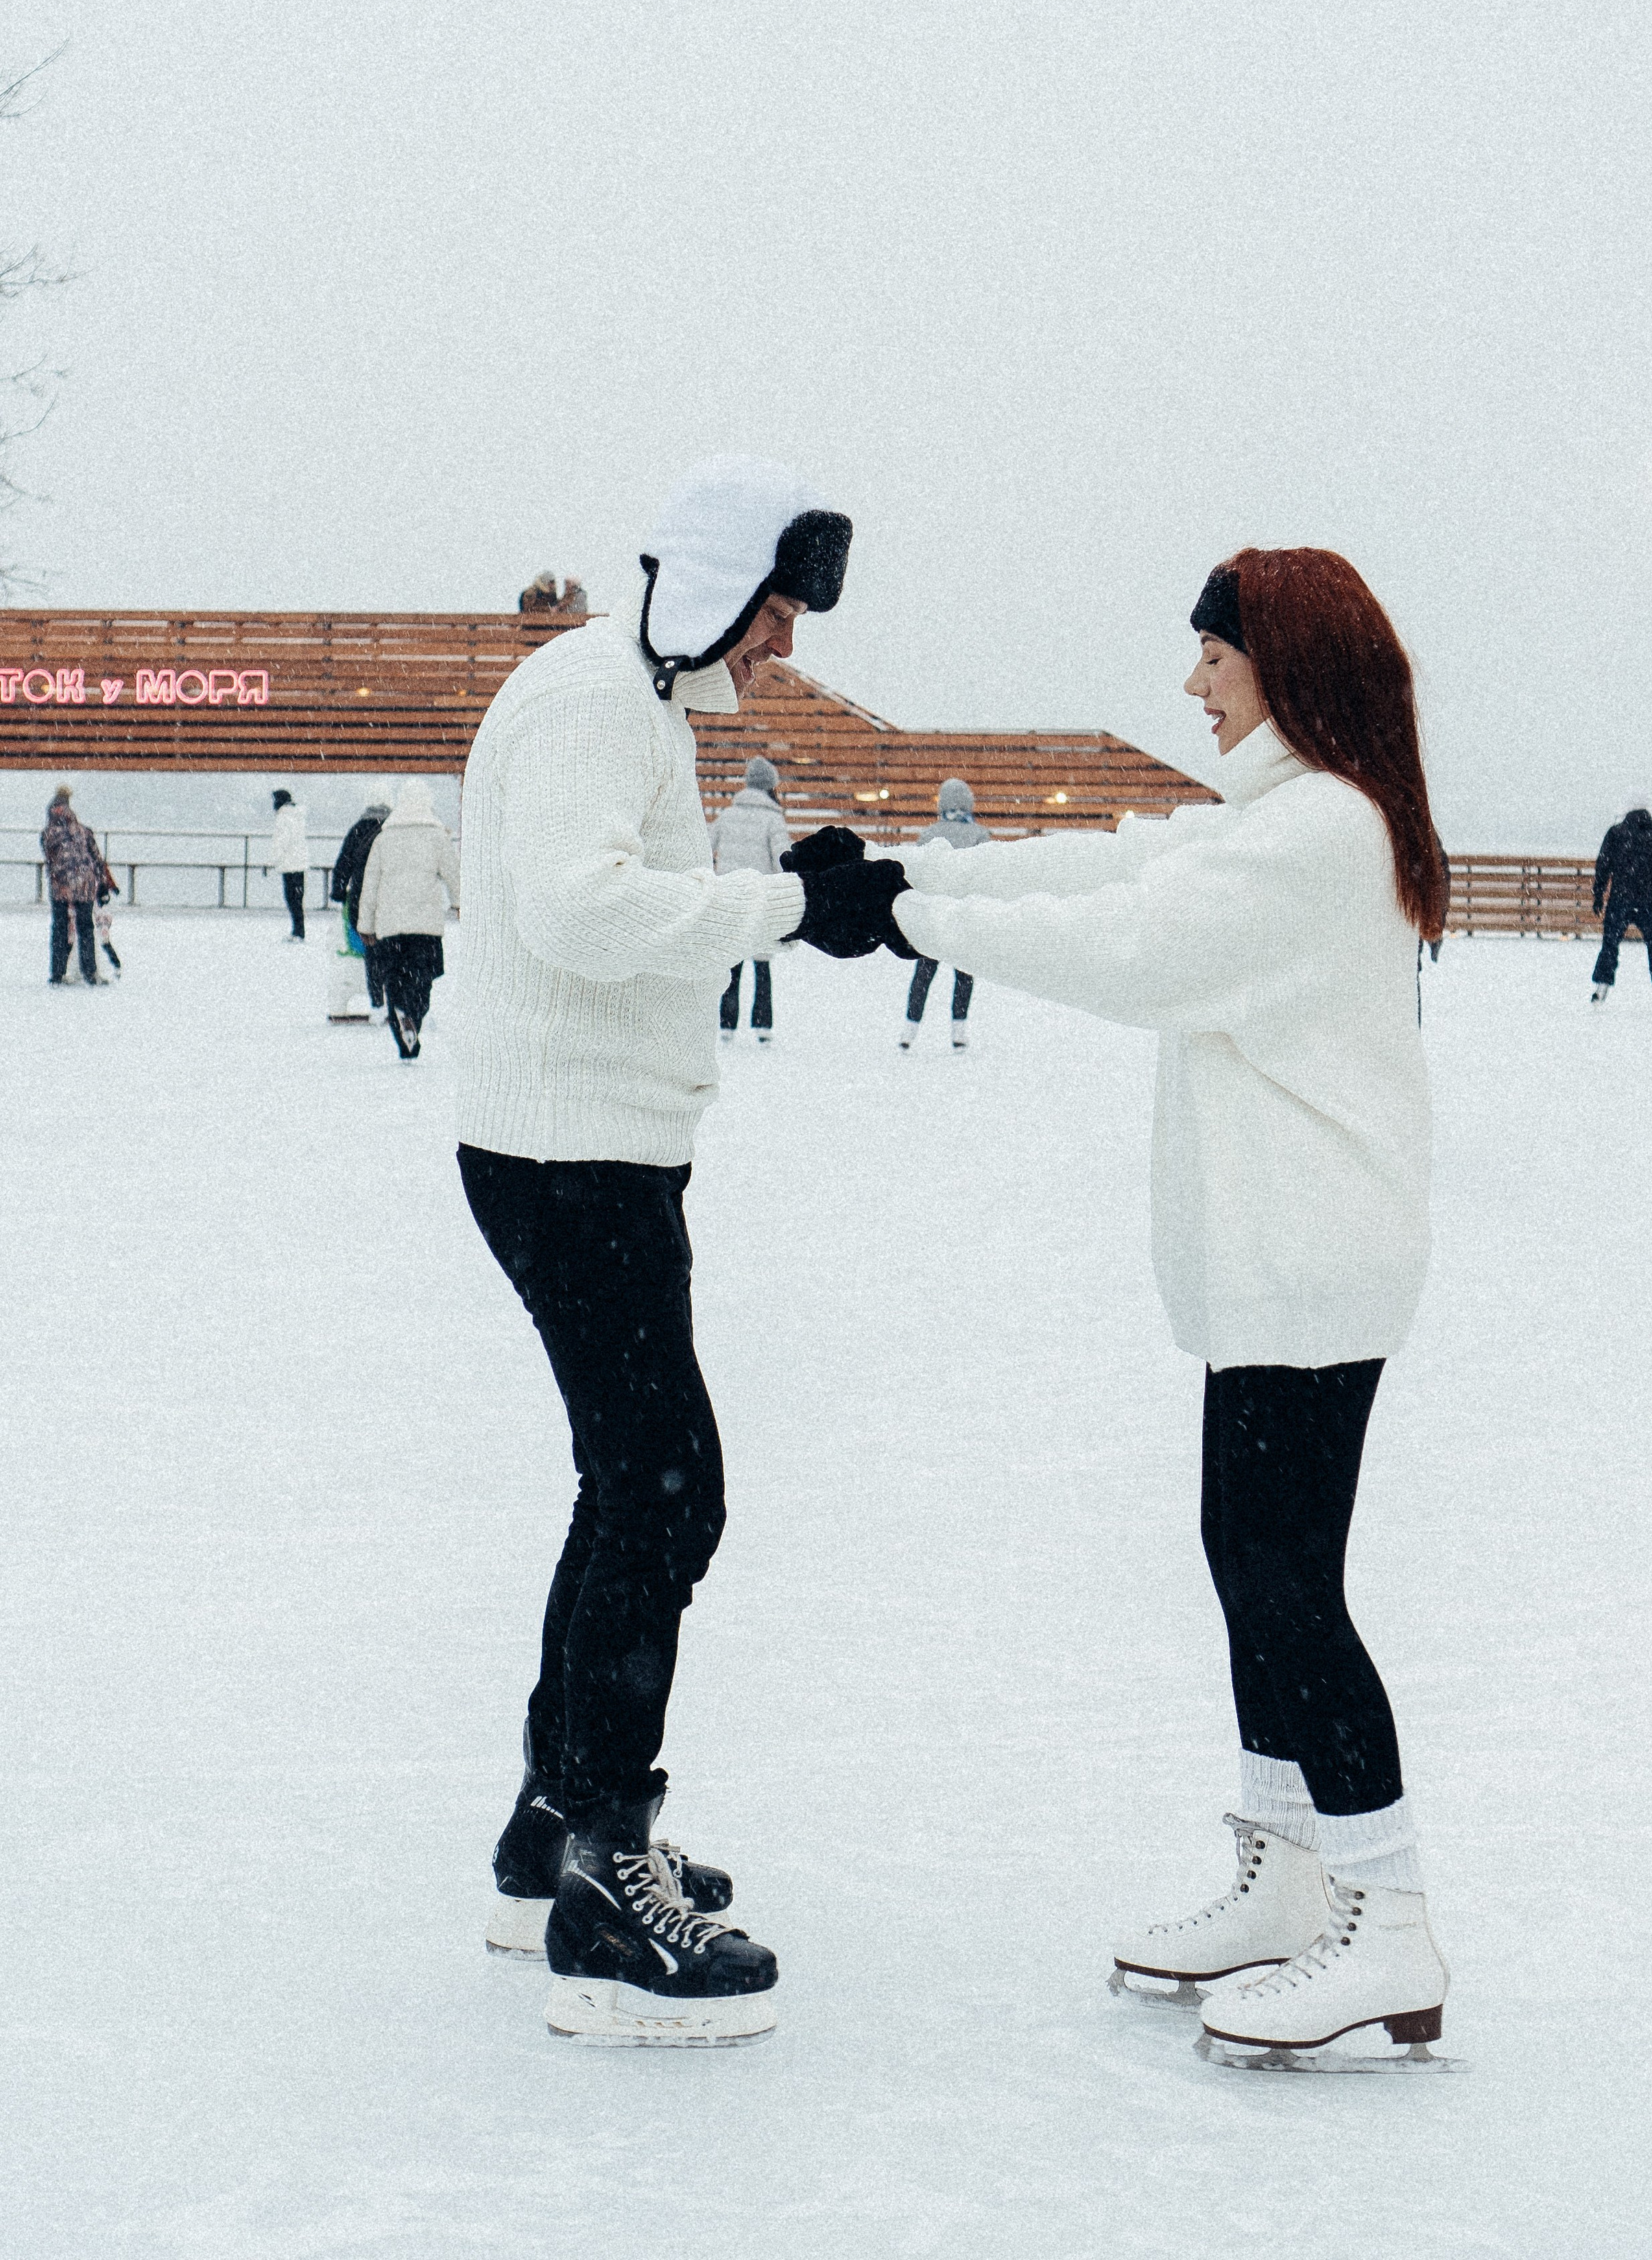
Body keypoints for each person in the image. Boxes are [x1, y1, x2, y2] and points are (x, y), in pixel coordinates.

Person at [883, 549, 1450, 2068]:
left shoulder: (1321, 832)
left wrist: (916, 922)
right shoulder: (1278, 821)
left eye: (1211, 655)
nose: (1190, 683)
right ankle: (1289, 1868)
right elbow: (1121, 870)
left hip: (1308, 1264)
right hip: (1267, 1266)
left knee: (1285, 1585)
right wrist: (912, 879)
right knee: (1247, 1561)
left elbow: (1131, 948)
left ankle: (1385, 1911)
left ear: (1285, 661)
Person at [455, 456, 901, 2047]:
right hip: (569, 1153)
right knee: (663, 1487)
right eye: (777, 603)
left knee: (629, 1482)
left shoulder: (625, 696)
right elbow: (575, 910)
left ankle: (551, 1828)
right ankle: (600, 1876)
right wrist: (781, 907)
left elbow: (605, 899)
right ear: (716, 581)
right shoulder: (593, 701)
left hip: (592, 1145)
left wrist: (777, 894)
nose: (783, 637)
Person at [355, 778, 459, 1058]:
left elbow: (371, 885)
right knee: (422, 980)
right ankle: (414, 1015)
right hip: (426, 927)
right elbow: (454, 876)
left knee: (394, 981)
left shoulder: (384, 838)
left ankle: (402, 1028)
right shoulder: (437, 836)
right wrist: (462, 905)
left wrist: (365, 924)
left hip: (391, 927)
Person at [899, 778, 988, 1050]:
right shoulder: (979, 835)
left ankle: (909, 1030)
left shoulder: (928, 835)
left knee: (923, 975)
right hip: (963, 916)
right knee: (964, 976)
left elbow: (919, 876)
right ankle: (959, 1031)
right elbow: (984, 878)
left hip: (934, 915)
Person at [710, 756, 791, 1040]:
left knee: (732, 966)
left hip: (730, 898)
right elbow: (784, 860)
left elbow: (706, 845)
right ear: (771, 787)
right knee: (762, 965)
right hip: (760, 899)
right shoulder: (773, 819)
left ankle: (727, 1025)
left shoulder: (728, 815)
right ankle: (762, 1026)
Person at [1590, 808, 1652, 1004]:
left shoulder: (1616, 834)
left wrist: (1598, 895)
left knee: (1610, 944)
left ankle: (1601, 987)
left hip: (1620, 899)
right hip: (1647, 900)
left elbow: (1603, 865)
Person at [327, 789, 392, 1023]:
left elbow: (343, 862)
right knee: (392, 951)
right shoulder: (393, 830)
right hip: (389, 900)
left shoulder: (358, 829)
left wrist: (337, 892)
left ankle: (377, 1003)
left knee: (372, 950)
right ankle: (395, 1001)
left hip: (361, 899)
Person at [40, 785, 106, 987]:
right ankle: (90, 973)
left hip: (61, 885)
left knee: (60, 928)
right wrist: (102, 884)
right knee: (85, 927)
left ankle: (57, 974)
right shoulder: (83, 831)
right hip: (85, 883)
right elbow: (97, 859)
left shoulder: (48, 834)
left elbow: (50, 860)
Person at [266, 788, 309, 939]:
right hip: (300, 863)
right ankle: (299, 930)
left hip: (289, 864)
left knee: (291, 898)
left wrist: (273, 860)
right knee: (298, 899)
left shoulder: (283, 817)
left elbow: (281, 842)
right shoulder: (298, 816)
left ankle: (298, 932)